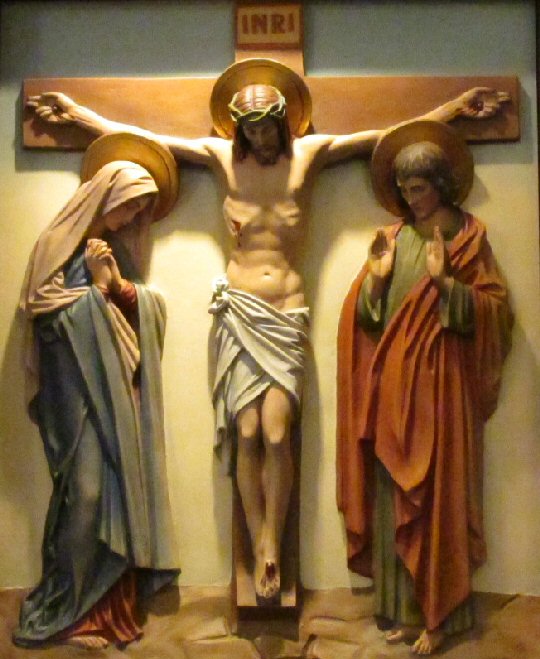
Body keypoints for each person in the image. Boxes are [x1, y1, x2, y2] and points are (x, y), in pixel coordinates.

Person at [27, 59, 510, 603]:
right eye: (249, 130)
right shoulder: (220, 160)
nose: (259, 138)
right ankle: (262, 547)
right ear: (238, 129)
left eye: (266, 128)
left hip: (285, 311)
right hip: (238, 311)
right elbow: (147, 140)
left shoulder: (309, 156)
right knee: (247, 432)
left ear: (283, 122)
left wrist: (455, 113)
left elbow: (384, 136)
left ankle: (272, 541)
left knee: (278, 433)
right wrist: (76, 117)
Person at [337, 121, 513, 655]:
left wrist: (446, 284)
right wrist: (375, 279)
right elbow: (366, 319)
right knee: (394, 494)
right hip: (393, 387)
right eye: (404, 190)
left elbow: (496, 312)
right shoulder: (391, 238)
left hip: (443, 390)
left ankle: (441, 616)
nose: (411, 199)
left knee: (440, 497)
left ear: (441, 184)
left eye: (419, 188)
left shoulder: (468, 238)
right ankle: (402, 609)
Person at [14, 138, 181, 649]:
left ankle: (105, 613)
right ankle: (67, 606)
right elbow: (40, 313)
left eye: (141, 210)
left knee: (116, 494)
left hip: (114, 396)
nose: (132, 217)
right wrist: (95, 292)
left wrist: (114, 284)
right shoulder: (55, 245)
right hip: (73, 397)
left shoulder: (113, 251)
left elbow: (144, 311)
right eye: (129, 205)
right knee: (85, 494)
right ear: (106, 195)